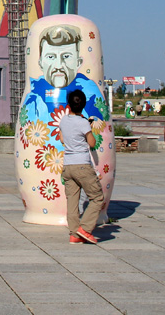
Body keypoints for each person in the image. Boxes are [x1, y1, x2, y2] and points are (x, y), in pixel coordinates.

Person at [60, 89, 105, 245]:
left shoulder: (63, 121)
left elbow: (62, 139)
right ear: (83, 105)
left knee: (72, 201)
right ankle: (85, 228)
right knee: (97, 197)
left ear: (68, 105)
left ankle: (74, 234)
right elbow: (92, 143)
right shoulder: (83, 122)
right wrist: (88, 128)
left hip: (67, 165)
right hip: (82, 165)